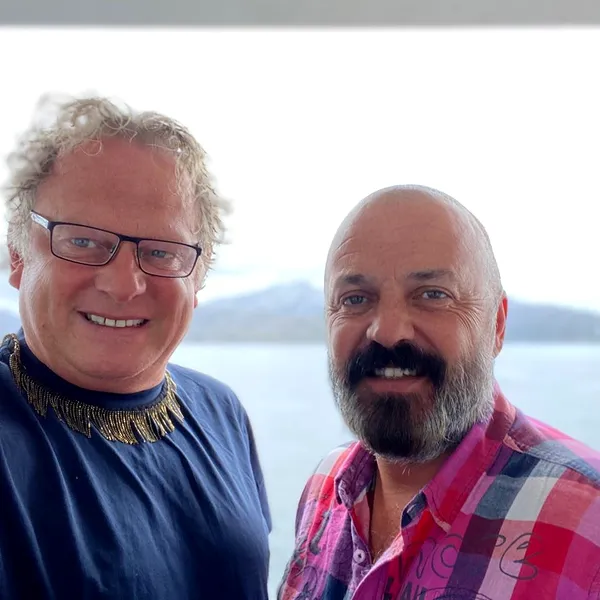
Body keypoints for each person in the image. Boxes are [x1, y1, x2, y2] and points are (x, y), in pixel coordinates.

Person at [0, 95, 271, 599]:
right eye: (82, 241)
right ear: (18, 256)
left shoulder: (222, 412)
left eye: (162, 252)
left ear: (198, 278)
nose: (123, 285)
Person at [278, 185, 600, 600]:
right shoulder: (325, 485)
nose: (388, 332)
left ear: (496, 325)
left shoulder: (588, 519)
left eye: (432, 295)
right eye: (355, 299)